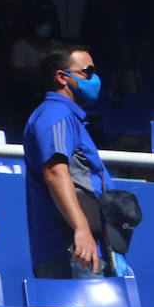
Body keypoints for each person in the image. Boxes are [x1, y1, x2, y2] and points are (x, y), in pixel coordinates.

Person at [23, 45, 118, 279]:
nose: (94, 79)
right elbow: (55, 172)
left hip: (85, 247)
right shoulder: (56, 113)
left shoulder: (69, 117)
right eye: (87, 72)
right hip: (72, 249)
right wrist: (81, 228)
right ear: (62, 77)